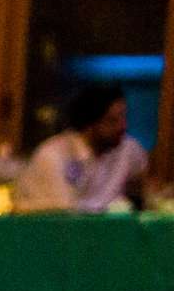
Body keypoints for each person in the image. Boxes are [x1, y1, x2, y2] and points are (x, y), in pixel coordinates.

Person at [14, 86, 150, 212]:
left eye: (123, 118)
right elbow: (64, 216)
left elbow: (146, 183)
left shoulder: (127, 148)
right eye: (112, 121)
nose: (123, 127)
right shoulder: (53, 156)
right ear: (89, 125)